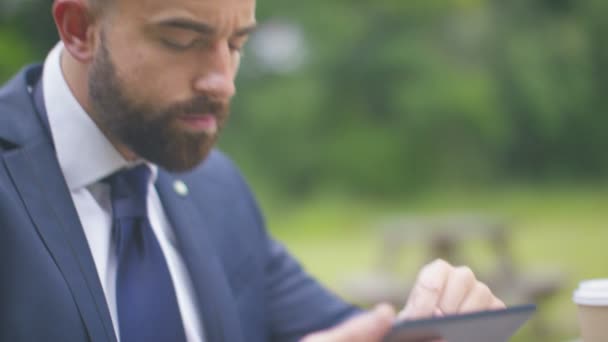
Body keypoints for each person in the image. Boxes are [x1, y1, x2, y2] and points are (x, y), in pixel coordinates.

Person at [0, 0, 505, 341]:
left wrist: (441, 323)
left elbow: (353, 332)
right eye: (180, 39)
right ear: (79, 29)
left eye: (236, 44)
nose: (221, 82)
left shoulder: (217, 189)